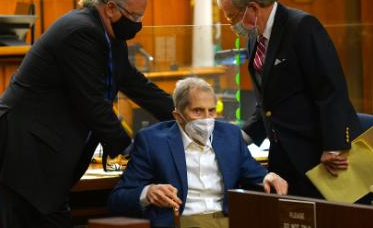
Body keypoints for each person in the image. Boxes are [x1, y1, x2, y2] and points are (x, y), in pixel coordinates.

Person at [0, 0, 174, 228]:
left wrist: (179, 111)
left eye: (140, 17)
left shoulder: (111, 37)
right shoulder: (80, 32)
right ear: (111, 7)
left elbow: (135, 83)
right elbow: (91, 101)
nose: (137, 24)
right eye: (134, 16)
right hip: (21, 149)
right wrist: (131, 150)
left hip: (43, 153)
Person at [217, 0, 361, 198]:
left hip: (317, 152)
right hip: (282, 153)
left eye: (233, 16)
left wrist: (333, 145)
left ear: (253, 7)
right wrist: (242, 137)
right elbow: (268, 100)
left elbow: (330, 88)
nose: (232, 24)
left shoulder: (301, 26)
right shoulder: (254, 37)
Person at [108, 77, 288, 228]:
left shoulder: (230, 135)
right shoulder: (152, 141)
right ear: (178, 116)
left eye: (211, 111)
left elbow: (257, 176)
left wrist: (268, 177)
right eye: (197, 111)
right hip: (182, 222)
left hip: (227, 221)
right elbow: (118, 199)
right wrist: (147, 192)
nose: (207, 119)